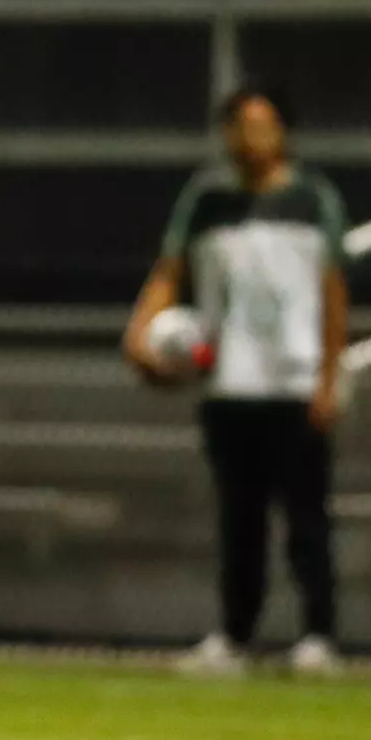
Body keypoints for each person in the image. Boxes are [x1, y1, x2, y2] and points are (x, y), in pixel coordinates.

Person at [123, 84, 350, 676]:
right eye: (240, 126)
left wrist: (330, 377)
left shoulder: (312, 199)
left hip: (296, 382)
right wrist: (142, 332)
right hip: (229, 383)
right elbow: (170, 272)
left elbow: (333, 295)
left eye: (263, 125)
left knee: (307, 518)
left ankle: (319, 637)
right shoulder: (207, 201)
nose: (251, 138)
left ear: (284, 133)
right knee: (238, 521)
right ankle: (235, 637)